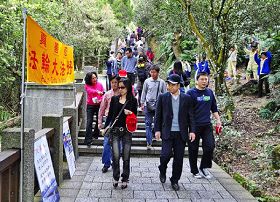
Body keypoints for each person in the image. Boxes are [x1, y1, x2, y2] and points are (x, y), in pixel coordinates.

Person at [154, 74, 196, 191]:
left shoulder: (187, 98)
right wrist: (157, 130)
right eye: (168, 84)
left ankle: (175, 180)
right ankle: (162, 169)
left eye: (172, 85)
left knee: (179, 159)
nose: (169, 87)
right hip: (167, 132)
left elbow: (191, 116)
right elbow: (158, 116)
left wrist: (192, 131)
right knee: (165, 155)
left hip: (181, 134)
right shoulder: (163, 97)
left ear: (178, 86)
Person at [187, 72, 222, 179]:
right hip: (194, 126)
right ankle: (194, 170)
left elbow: (214, 108)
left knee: (210, 146)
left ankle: (204, 166)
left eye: (206, 79)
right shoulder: (190, 93)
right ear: (197, 80)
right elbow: (188, 112)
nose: (204, 81)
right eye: (202, 79)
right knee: (193, 149)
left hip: (206, 125)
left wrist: (218, 120)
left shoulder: (209, 93)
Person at [107, 78, 137, 189]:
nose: (120, 89)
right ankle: (115, 177)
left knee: (126, 156)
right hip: (115, 131)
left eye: (122, 87)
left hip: (127, 131)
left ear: (128, 88)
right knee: (115, 156)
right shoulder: (114, 99)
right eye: (119, 87)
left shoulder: (133, 101)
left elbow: (135, 117)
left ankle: (125, 178)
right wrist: (106, 127)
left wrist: (130, 113)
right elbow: (110, 116)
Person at [140, 65, 167, 149]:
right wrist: (142, 102)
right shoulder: (147, 81)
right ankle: (149, 142)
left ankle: (153, 133)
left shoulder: (162, 82)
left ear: (158, 72)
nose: (152, 73)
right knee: (148, 123)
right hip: (148, 104)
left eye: (154, 72)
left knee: (157, 122)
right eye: (151, 72)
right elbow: (144, 92)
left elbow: (165, 93)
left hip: (158, 105)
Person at [98, 76, 120, 173]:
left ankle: (115, 162)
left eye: (116, 82)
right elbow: (102, 109)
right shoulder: (107, 94)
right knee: (106, 142)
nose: (114, 84)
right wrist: (100, 122)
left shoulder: (122, 94)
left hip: (119, 121)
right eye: (112, 82)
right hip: (109, 120)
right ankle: (106, 163)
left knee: (118, 144)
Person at [84, 72, 104, 146]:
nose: (95, 79)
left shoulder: (100, 84)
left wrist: (100, 99)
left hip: (99, 105)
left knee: (98, 120)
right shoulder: (87, 85)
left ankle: (96, 134)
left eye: (95, 77)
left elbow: (103, 94)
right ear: (89, 79)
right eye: (93, 78)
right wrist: (97, 92)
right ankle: (88, 140)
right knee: (89, 122)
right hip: (90, 105)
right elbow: (89, 91)